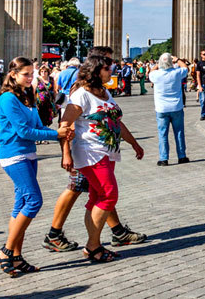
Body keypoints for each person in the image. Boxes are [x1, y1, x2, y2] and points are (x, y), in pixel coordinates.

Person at [43, 47, 145, 254]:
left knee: (97, 196)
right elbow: (65, 124)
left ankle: (101, 239)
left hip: (108, 151)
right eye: (108, 68)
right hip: (91, 151)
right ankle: (92, 244)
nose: (112, 71)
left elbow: (116, 121)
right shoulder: (81, 94)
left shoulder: (105, 92)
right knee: (108, 195)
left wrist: (134, 143)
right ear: (96, 70)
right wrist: (66, 153)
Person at [0, 57, 72, 277]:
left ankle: (17, 257)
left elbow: (37, 125)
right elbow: (23, 131)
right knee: (34, 200)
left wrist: (57, 130)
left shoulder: (27, 95)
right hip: (14, 154)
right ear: (13, 74)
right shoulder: (7, 98)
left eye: (32, 73)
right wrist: (55, 134)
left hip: (28, 154)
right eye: (26, 74)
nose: (31, 78)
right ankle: (6, 250)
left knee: (21, 203)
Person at [149, 52, 190, 166]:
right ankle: (181, 156)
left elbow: (151, 72)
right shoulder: (176, 73)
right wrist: (177, 60)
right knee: (179, 132)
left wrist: (157, 64)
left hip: (161, 109)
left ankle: (163, 159)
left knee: (163, 134)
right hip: (176, 107)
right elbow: (186, 68)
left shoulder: (156, 75)